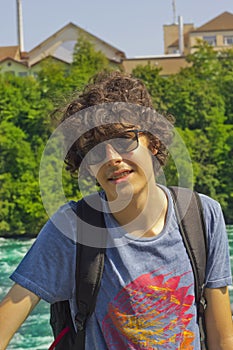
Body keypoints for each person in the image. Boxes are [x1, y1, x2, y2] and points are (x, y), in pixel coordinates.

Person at [0, 70, 233, 350]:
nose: (112, 158)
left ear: (154, 142)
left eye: (124, 141)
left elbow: (222, 338)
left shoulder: (201, 215)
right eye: (96, 152)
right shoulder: (73, 228)